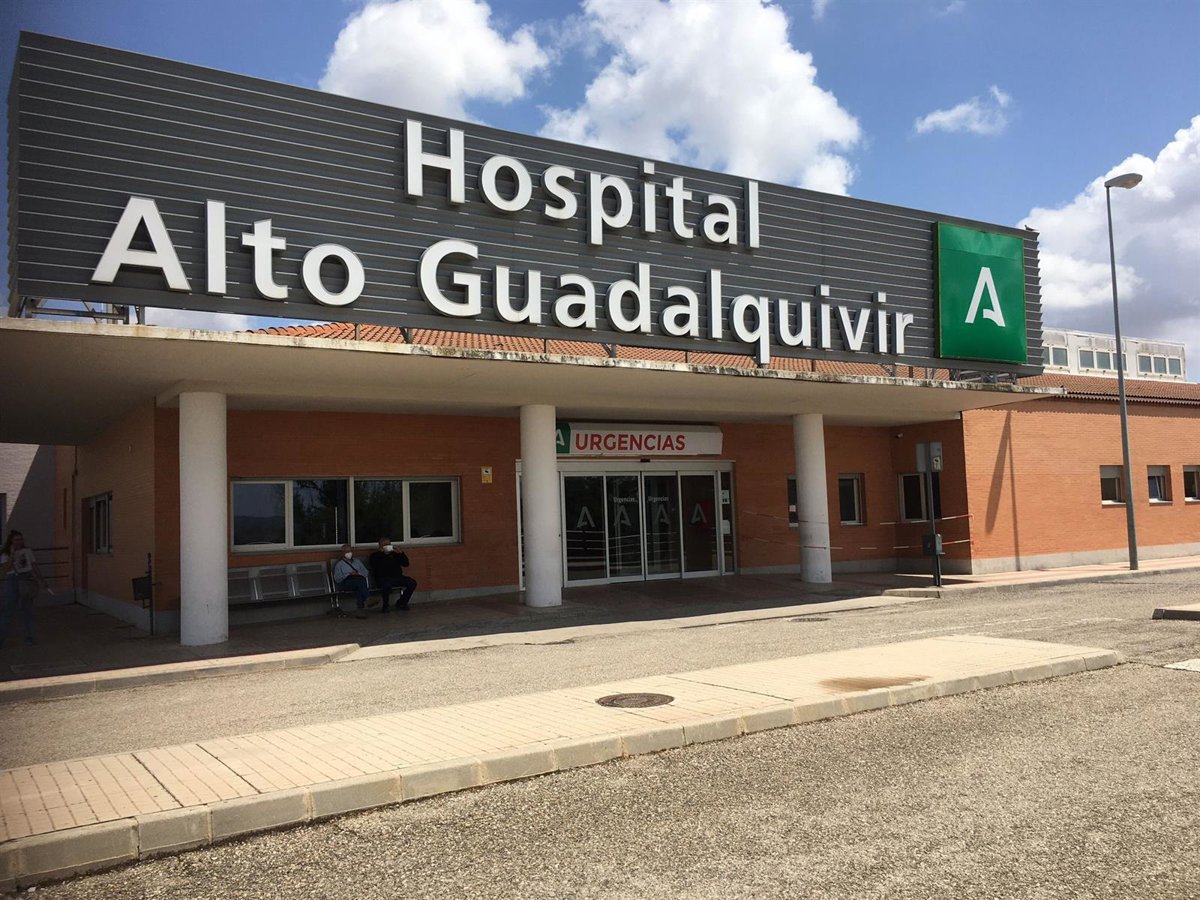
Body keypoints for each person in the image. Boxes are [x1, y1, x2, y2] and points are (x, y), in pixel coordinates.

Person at [1, 530, 46, 646]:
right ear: (11, 541)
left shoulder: (27, 551)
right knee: (8, 609)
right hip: (12, 580)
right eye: (16, 540)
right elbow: (6, 569)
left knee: (27, 610)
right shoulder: (5, 554)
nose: (19, 542)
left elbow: (34, 566)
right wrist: (12, 554)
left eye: (21, 539)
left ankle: (29, 636)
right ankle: (2, 637)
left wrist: (42, 580)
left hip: (26, 578)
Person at [368, 537, 417, 613]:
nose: (388, 546)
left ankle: (402, 602)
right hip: (383, 578)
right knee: (386, 585)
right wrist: (382, 553)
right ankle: (385, 606)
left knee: (412, 583)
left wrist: (401, 553)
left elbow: (406, 564)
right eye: (385, 544)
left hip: (398, 577)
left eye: (389, 544)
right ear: (380, 546)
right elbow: (375, 566)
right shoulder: (375, 556)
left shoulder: (395, 554)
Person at [332, 544, 377, 619]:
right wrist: (348, 574)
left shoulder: (357, 562)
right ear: (342, 553)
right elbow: (337, 578)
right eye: (347, 551)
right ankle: (367, 599)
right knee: (360, 582)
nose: (349, 553)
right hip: (347, 582)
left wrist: (358, 573)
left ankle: (360, 611)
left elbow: (366, 572)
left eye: (350, 551)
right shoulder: (339, 565)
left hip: (358, 580)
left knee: (359, 586)